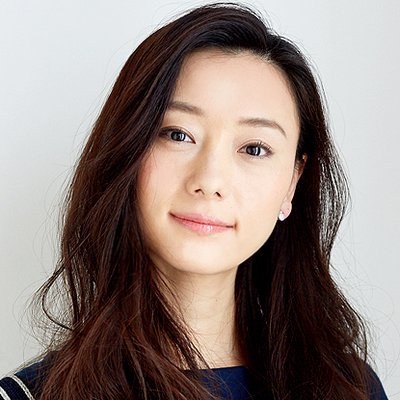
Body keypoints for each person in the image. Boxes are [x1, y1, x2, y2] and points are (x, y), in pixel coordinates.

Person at [0, 3, 389, 400]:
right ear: (127, 150)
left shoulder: (350, 388)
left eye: (254, 148)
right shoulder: (32, 394)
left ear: (292, 182)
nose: (209, 181)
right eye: (178, 134)